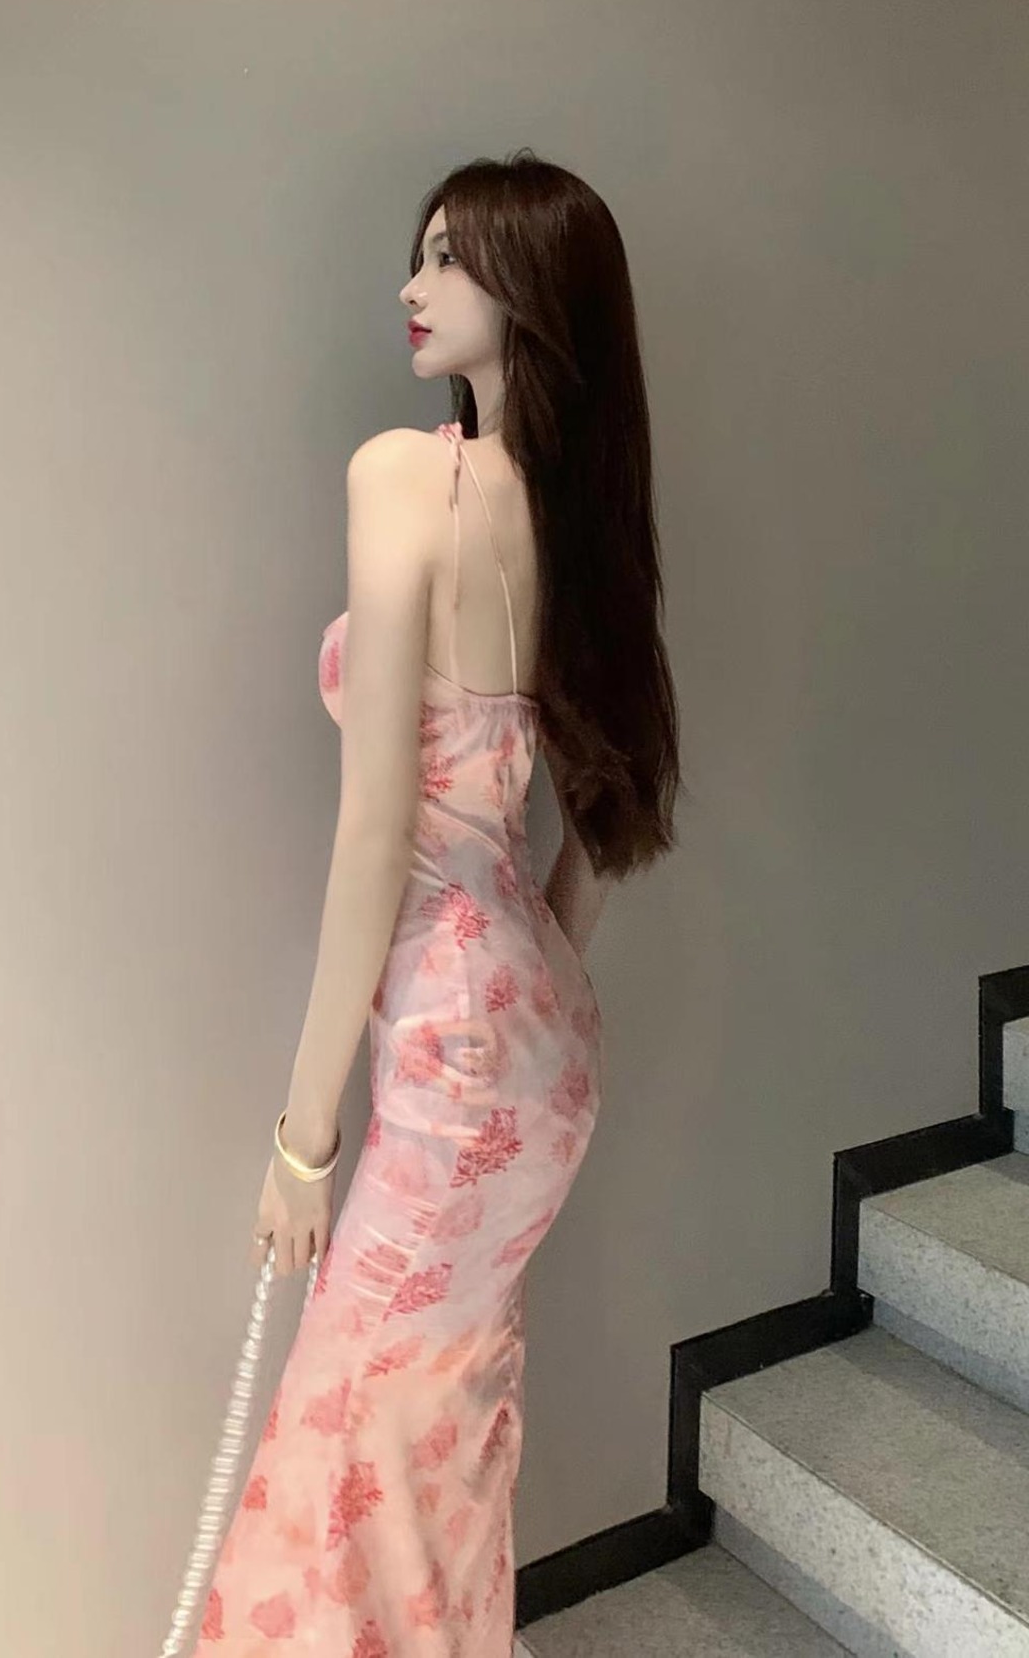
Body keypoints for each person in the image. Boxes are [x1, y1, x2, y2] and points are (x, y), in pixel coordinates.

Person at [190, 149, 682, 1656]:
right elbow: (601, 823)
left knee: (353, 1431)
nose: (413, 285)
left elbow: (376, 834)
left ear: (531, 291)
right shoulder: (579, 524)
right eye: (423, 252)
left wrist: (303, 1142)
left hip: (454, 1046)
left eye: (452, 258)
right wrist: (539, 981)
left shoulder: (407, 479)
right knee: (437, 1427)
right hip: (539, 1043)